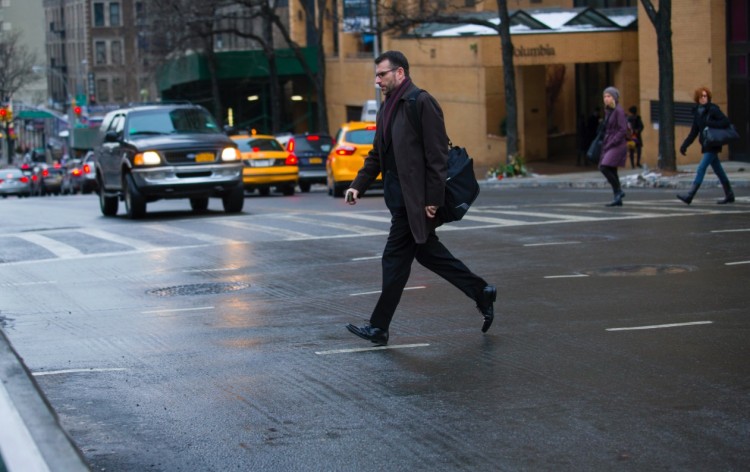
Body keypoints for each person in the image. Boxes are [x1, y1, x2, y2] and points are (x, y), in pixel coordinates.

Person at [343, 50, 496, 346]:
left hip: (416, 201)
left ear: (400, 73)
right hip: (399, 198)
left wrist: (434, 198)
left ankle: (378, 327)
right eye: (376, 75)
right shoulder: (387, 108)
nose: (378, 81)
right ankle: (481, 292)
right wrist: (357, 185)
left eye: (382, 74)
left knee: (393, 259)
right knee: (428, 253)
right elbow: (377, 154)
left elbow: (437, 155)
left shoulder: (421, 102)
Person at [677, 87, 735, 205]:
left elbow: (725, 122)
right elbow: (694, 132)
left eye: (705, 96)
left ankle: (690, 195)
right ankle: (729, 195)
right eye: (701, 96)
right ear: (697, 99)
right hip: (705, 144)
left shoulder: (713, 109)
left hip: (713, 144)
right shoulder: (698, 113)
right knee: (719, 171)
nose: (703, 98)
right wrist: (685, 145)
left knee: (701, 168)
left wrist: (711, 123)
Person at [599, 87, 629, 207]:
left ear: (615, 97)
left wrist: (612, 141)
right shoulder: (608, 111)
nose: (606, 99)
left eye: (609, 96)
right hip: (609, 142)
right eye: (605, 96)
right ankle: (617, 196)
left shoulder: (618, 111)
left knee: (604, 167)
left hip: (617, 144)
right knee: (612, 169)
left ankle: (619, 191)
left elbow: (623, 130)